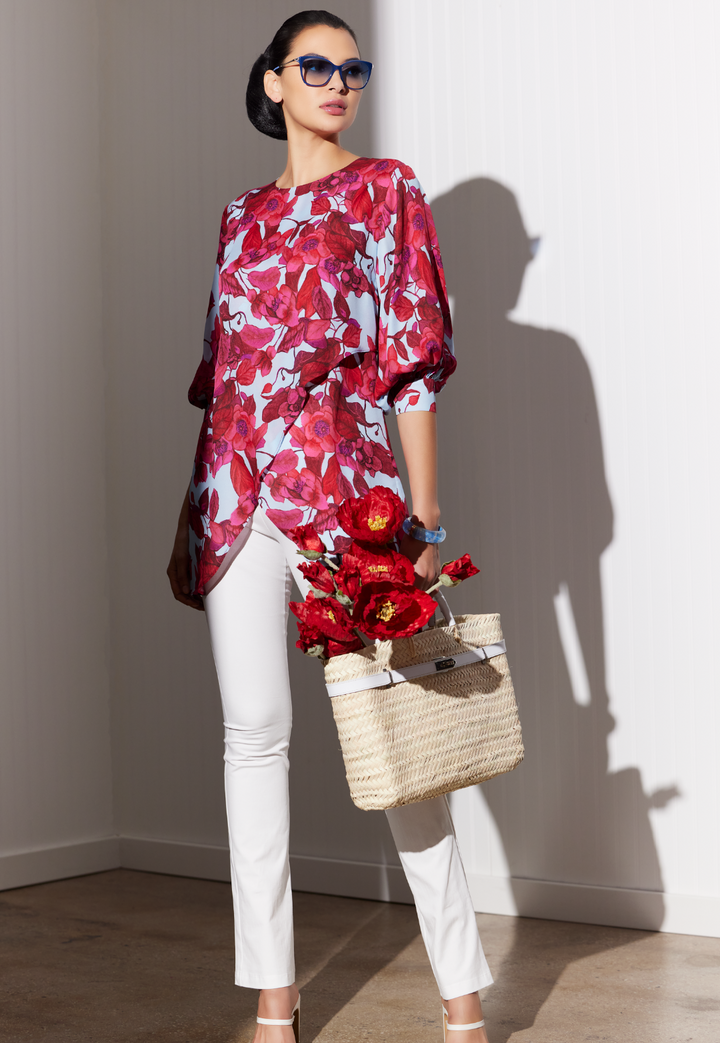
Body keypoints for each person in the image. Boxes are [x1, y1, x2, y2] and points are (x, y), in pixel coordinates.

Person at [167, 10, 493, 1042]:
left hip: (349, 498)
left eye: (355, 67)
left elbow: (412, 357)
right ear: (272, 83)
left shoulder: (386, 189)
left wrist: (426, 510)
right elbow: (222, 374)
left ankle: (463, 994)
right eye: (317, 66)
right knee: (252, 739)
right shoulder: (235, 217)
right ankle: (272, 995)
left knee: (394, 738)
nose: (339, 81)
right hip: (235, 502)